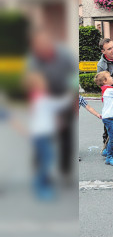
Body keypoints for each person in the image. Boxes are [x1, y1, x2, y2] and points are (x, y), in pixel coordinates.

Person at [27, 72, 72, 200]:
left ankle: (41, 184)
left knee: (45, 159)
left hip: (41, 133)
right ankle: (41, 188)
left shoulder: (37, 97)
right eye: (42, 82)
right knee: (46, 160)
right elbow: (59, 104)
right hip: (41, 134)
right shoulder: (41, 98)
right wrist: (70, 93)